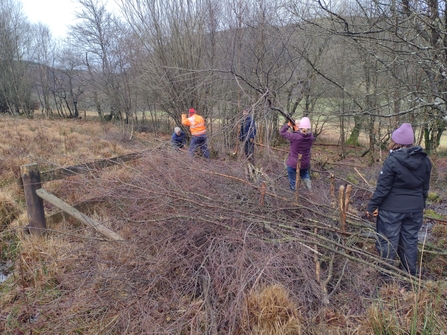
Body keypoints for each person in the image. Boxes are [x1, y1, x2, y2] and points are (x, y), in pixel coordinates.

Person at [367, 123, 431, 279]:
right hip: (414, 209)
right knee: (410, 240)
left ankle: (386, 276)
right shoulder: (425, 160)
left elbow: (383, 188)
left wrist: (371, 206)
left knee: (388, 241)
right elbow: (425, 187)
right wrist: (422, 204)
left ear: (396, 142)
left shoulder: (392, 161)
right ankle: (410, 275)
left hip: (391, 210)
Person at [279, 117, 314, 191]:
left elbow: (282, 132)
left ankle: (294, 192)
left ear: (300, 127)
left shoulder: (294, 137)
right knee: (304, 174)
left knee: (293, 180)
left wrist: (288, 124)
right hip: (305, 163)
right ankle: (308, 185)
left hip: (293, 163)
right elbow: (303, 134)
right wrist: (296, 128)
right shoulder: (311, 137)